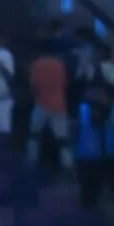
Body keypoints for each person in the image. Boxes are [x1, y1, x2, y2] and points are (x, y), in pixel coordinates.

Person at [27, 34, 72, 171]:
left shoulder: (36, 65)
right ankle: (67, 164)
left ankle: (32, 161)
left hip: (41, 103)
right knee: (63, 138)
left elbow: (34, 85)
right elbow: (65, 83)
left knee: (34, 134)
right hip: (59, 103)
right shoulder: (60, 64)